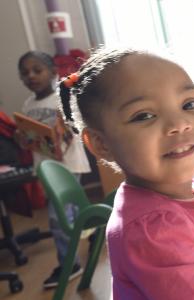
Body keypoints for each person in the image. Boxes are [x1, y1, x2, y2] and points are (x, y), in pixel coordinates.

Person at [58, 48, 194, 299]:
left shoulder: (193, 186)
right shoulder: (153, 228)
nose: (179, 124)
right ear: (101, 143)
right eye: (144, 115)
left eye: (189, 104)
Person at [17, 51, 91, 288]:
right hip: (46, 169)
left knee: (57, 217)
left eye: (37, 70)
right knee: (69, 213)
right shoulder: (28, 104)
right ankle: (91, 229)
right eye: (25, 72)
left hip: (67, 166)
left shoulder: (63, 98)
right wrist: (22, 138)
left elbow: (77, 129)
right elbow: (29, 139)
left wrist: (66, 131)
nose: (31, 76)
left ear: (52, 72)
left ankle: (69, 264)